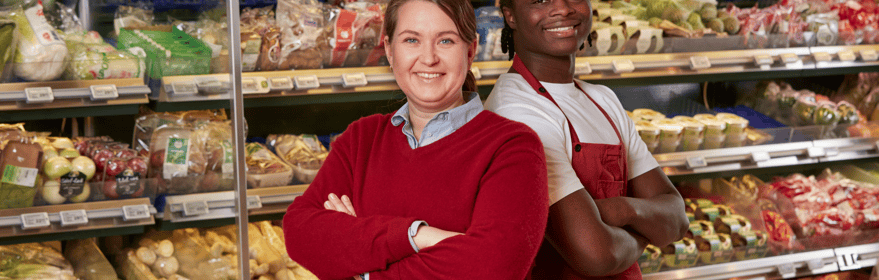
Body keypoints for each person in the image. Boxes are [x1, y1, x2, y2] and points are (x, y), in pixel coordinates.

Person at [282, 0, 549, 278]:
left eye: (445, 41)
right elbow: (300, 232)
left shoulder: (512, 147)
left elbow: (491, 268)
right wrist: (419, 236)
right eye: (411, 40)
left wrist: (362, 266)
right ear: (389, 50)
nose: (428, 58)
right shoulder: (362, 140)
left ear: (470, 51)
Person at [483, 0, 690, 278]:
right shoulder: (515, 111)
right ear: (510, 15)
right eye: (540, 0)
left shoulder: (603, 99)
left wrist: (622, 210)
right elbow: (596, 254)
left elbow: (677, 219)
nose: (563, 8)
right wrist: (646, 231)